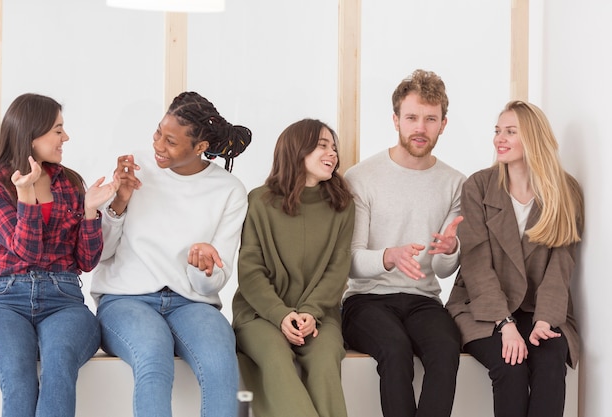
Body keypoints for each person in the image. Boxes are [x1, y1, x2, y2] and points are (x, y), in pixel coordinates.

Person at [90, 91, 251, 417]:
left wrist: (203, 267)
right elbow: (100, 254)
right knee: (153, 355)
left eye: (171, 141)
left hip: (192, 303)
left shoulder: (229, 190)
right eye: (158, 133)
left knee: (222, 364)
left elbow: (212, 284)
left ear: (200, 148)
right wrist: (118, 201)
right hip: (125, 299)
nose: (158, 145)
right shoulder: (135, 168)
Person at [445, 100, 584, 417]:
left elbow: (561, 268)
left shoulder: (566, 192)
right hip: (483, 307)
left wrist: (545, 320)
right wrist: (505, 324)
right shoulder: (478, 186)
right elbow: (476, 263)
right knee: (511, 366)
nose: (499, 139)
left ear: (533, 138)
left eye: (510, 131)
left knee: (551, 365)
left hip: (540, 308)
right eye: (497, 131)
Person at [340, 69, 465, 417]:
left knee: (444, 351)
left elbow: (441, 269)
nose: (420, 128)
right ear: (396, 120)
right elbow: (350, 262)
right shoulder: (361, 177)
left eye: (430, 119)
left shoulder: (455, 183)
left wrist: (449, 250)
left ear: (443, 124)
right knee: (394, 351)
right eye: (411, 118)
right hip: (366, 300)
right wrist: (389, 257)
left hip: (423, 299)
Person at [0, 93, 119, 417]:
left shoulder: (69, 182)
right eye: (58, 130)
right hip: (6, 300)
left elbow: (86, 262)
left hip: (64, 300)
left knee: (59, 369)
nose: (66, 137)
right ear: (33, 132)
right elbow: (25, 249)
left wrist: (90, 211)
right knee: (18, 376)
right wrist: (25, 193)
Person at [232, 119, 355, 417]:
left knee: (326, 360)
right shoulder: (259, 201)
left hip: (319, 315)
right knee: (275, 356)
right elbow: (250, 270)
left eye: (334, 148)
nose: (332, 154)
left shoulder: (342, 205)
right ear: (296, 150)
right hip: (260, 314)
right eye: (322, 146)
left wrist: (311, 312)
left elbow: (338, 270)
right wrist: (281, 314)